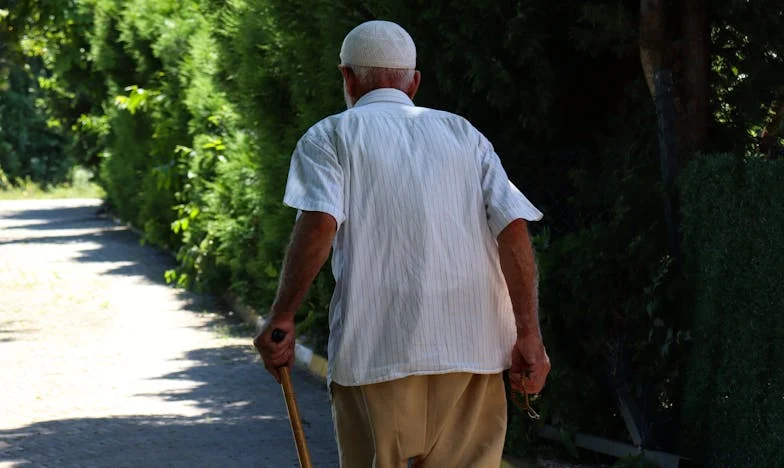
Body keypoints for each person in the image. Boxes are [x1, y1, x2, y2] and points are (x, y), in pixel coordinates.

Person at [254, 20, 550, 468]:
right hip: (471, 354)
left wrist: (282, 316)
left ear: (347, 77)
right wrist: (529, 334)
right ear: (413, 82)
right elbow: (512, 227)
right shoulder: (463, 135)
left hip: (377, 352)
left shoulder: (331, 136)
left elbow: (319, 225)